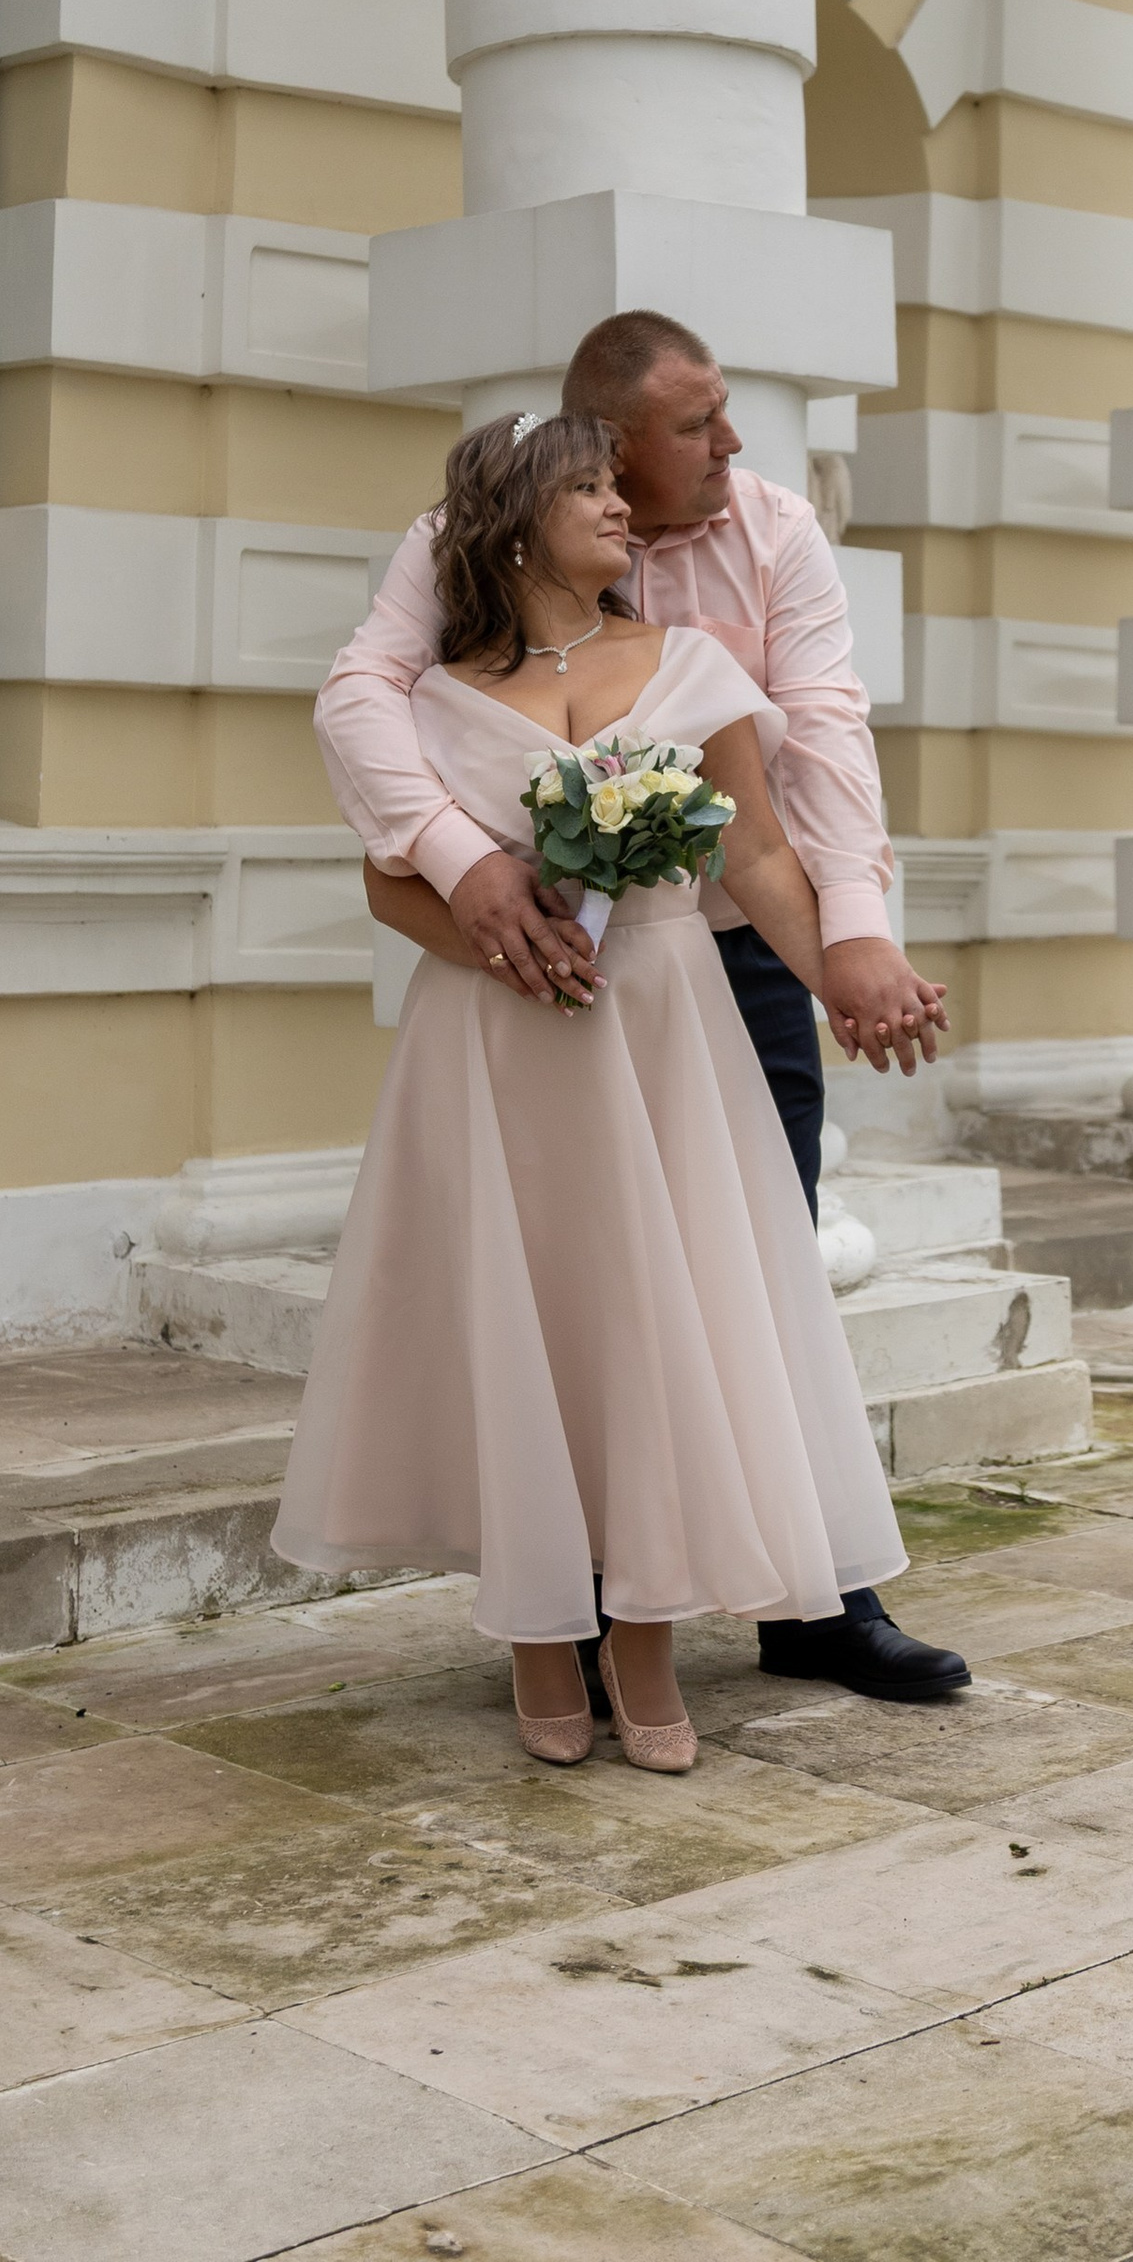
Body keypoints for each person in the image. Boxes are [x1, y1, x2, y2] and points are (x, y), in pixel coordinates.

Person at [316, 308, 971, 1705]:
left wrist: (853, 943)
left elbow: (823, 743)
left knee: (750, 1262)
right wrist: (467, 867)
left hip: (721, 951)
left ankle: (813, 1595)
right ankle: (594, 1606)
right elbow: (363, 697)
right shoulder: (464, 540)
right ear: (602, 451)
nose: (730, 443)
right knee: (573, 1279)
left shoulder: (776, 530)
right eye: (695, 425)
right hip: (526, 958)